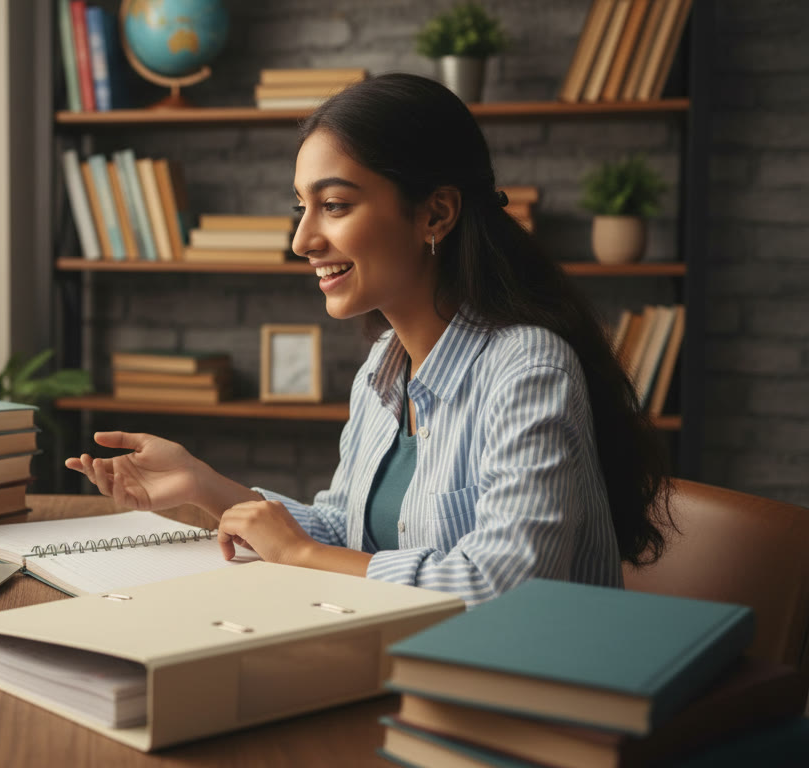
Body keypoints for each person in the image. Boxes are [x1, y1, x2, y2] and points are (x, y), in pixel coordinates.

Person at [65, 73, 674, 607]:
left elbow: (499, 589)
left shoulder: (529, 368)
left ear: (435, 214)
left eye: (333, 205)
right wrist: (203, 485)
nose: (303, 240)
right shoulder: (384, 365)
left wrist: (299, 556)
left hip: (529, 701)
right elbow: (344, 531)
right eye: (301, 208)